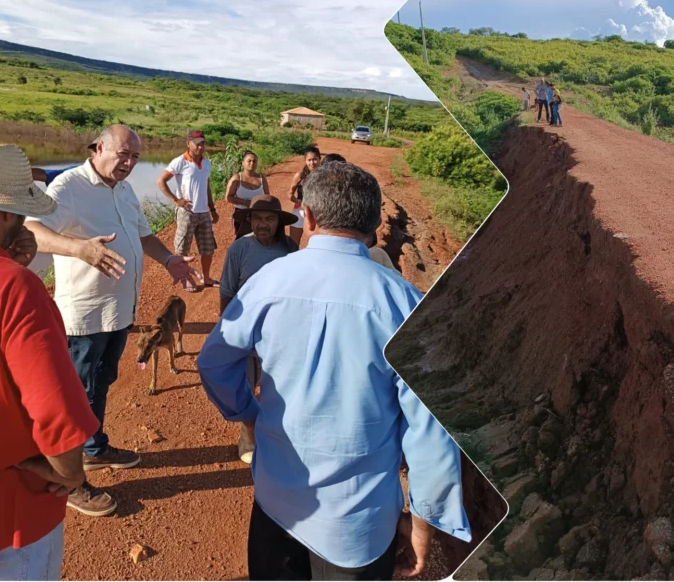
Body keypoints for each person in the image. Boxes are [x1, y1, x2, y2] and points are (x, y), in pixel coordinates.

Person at [198, 160, 471, 580]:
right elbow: (432, 433)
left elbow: (215, 362)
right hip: (358, 527)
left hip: (275, 506)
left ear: (305, 216)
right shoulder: (405, 303)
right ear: (375, 223)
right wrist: (422, 525)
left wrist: (248, 417)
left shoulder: (267, 283)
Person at [25, 125, 200, 516]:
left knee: (103, 381)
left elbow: (142, 236)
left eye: (136, 157)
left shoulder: (124, 189)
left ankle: (94, 448)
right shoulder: (69, 186)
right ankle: (70, 481)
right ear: (98, 147)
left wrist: (169, 260)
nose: (130, 163)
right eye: (123, 154)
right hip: (84, 317)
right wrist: (78, 249)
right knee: (76, 395)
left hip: (119, 312)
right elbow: (31, 232)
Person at [0, 140, 99, 580]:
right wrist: (71, 474)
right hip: (1, 517)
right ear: (8, 212)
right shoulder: (14, 290)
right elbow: (58, 414)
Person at [218, 195, 299, 463]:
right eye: (258, 218)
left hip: (281, 331)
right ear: (250, 220)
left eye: (270, 218)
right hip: (247, 329)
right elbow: (227, 291)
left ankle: (275, 433)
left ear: (279, 222)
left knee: (277, 385)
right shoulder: (239, 249)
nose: (263, 224)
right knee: (247, 384)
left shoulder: (290, 248)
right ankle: (247, 435)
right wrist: (226, 331)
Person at [158, 129, 219, 291]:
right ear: (188, 144)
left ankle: (206, 278)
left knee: (208, 249)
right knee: (182, 249)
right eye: (197, 144)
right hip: (187, 212)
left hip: (203, 212)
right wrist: (176, 200)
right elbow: (161, 181)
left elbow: (206, 186)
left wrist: (212, 208)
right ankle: (185, 279)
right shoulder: (180, 162)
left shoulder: (206, 163)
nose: (200, 147)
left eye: (203, 144)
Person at [226, 150, 270, 238]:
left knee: (260, 238)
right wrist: (245, 202)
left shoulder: (262, 178)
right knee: (241, 239)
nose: (252, 163)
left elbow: (267, 196)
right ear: (243, 163)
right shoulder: (237, 178)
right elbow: (228, 198)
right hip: (241, 214)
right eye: (249, 161)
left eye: (254, 161)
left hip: (259, 214)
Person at [287, 146, 321, 247]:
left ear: (320, 159)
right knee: (292, 245)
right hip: (300, 212)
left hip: (317, 214)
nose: (312, 163)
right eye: (309, 160)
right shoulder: (300, 175)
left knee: (314, 245)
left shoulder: (324, 175)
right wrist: (298, 202)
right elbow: (289, 194)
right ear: (305, 160)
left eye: (315, 159)